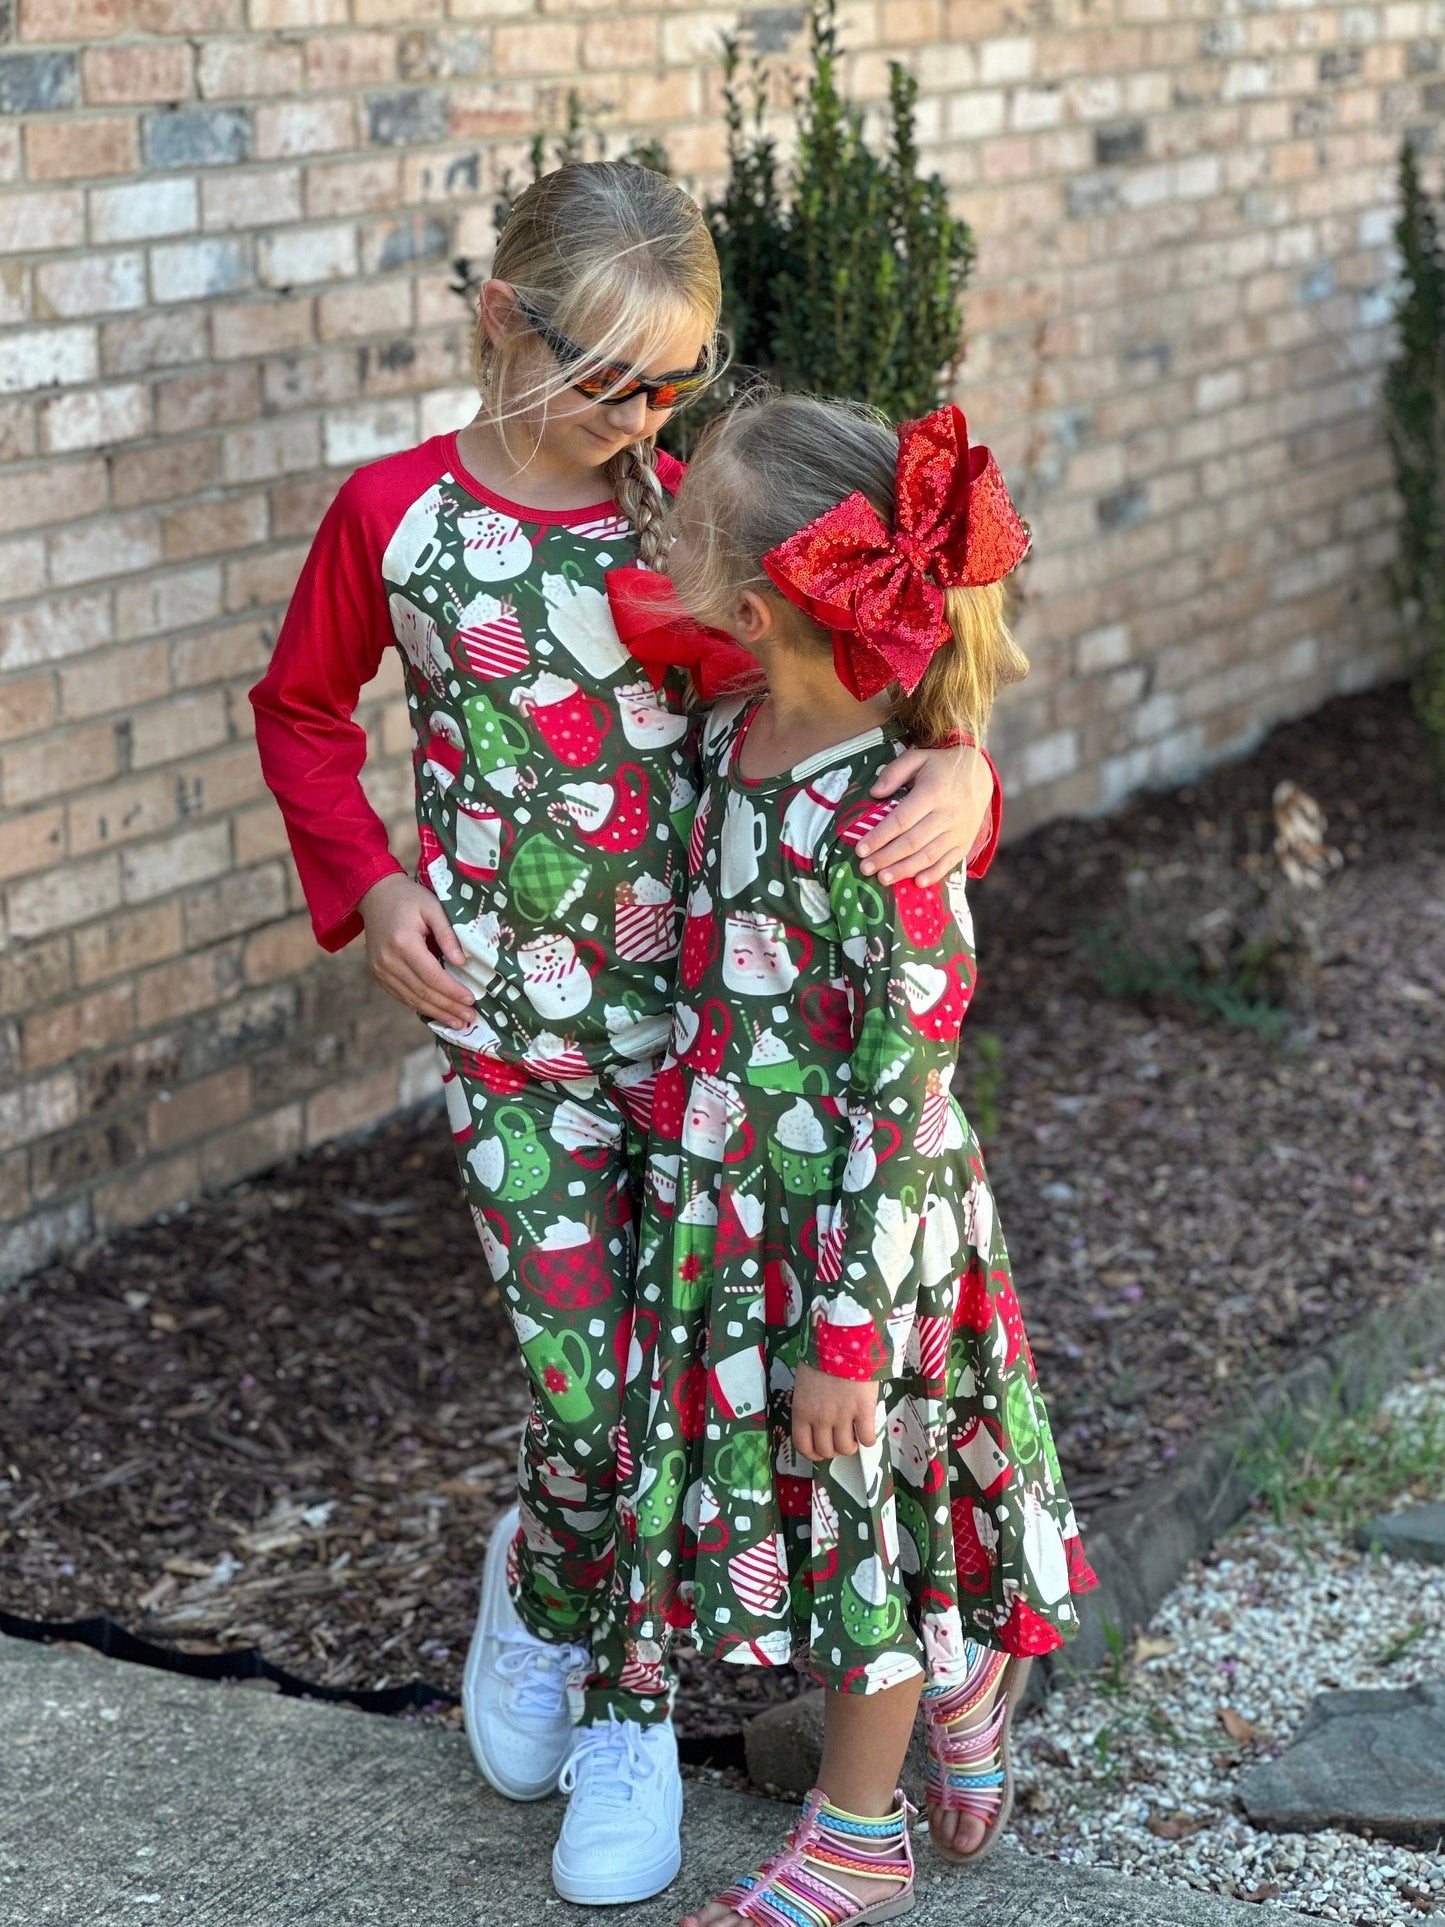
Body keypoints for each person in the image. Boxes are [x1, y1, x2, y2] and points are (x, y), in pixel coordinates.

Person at [249, 162, 998, 1908]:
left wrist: (966, 767)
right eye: (610, 380)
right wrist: (363, 887)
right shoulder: (395, 524)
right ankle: (581, 1633)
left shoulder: (695, 527)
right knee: (586, 1385)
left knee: (661, 1406)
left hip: (716, 1062)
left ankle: (621, 1694)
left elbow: (861, 694)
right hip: (511, 1037)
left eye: (672, 381)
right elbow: (298, 707)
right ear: (504, 324)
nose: (644, 417)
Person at [618, 393, 1097, 1927]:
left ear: (759, 605)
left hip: (857, 1242)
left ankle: (854, 1833)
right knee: (837, 1510)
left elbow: (901, 1109)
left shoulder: (883, 831)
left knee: (853, 1516)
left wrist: (843, 1337)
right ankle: (959, 1694)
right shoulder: (732, 729)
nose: (657, 530)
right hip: (750, 1214)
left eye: (683, 525)